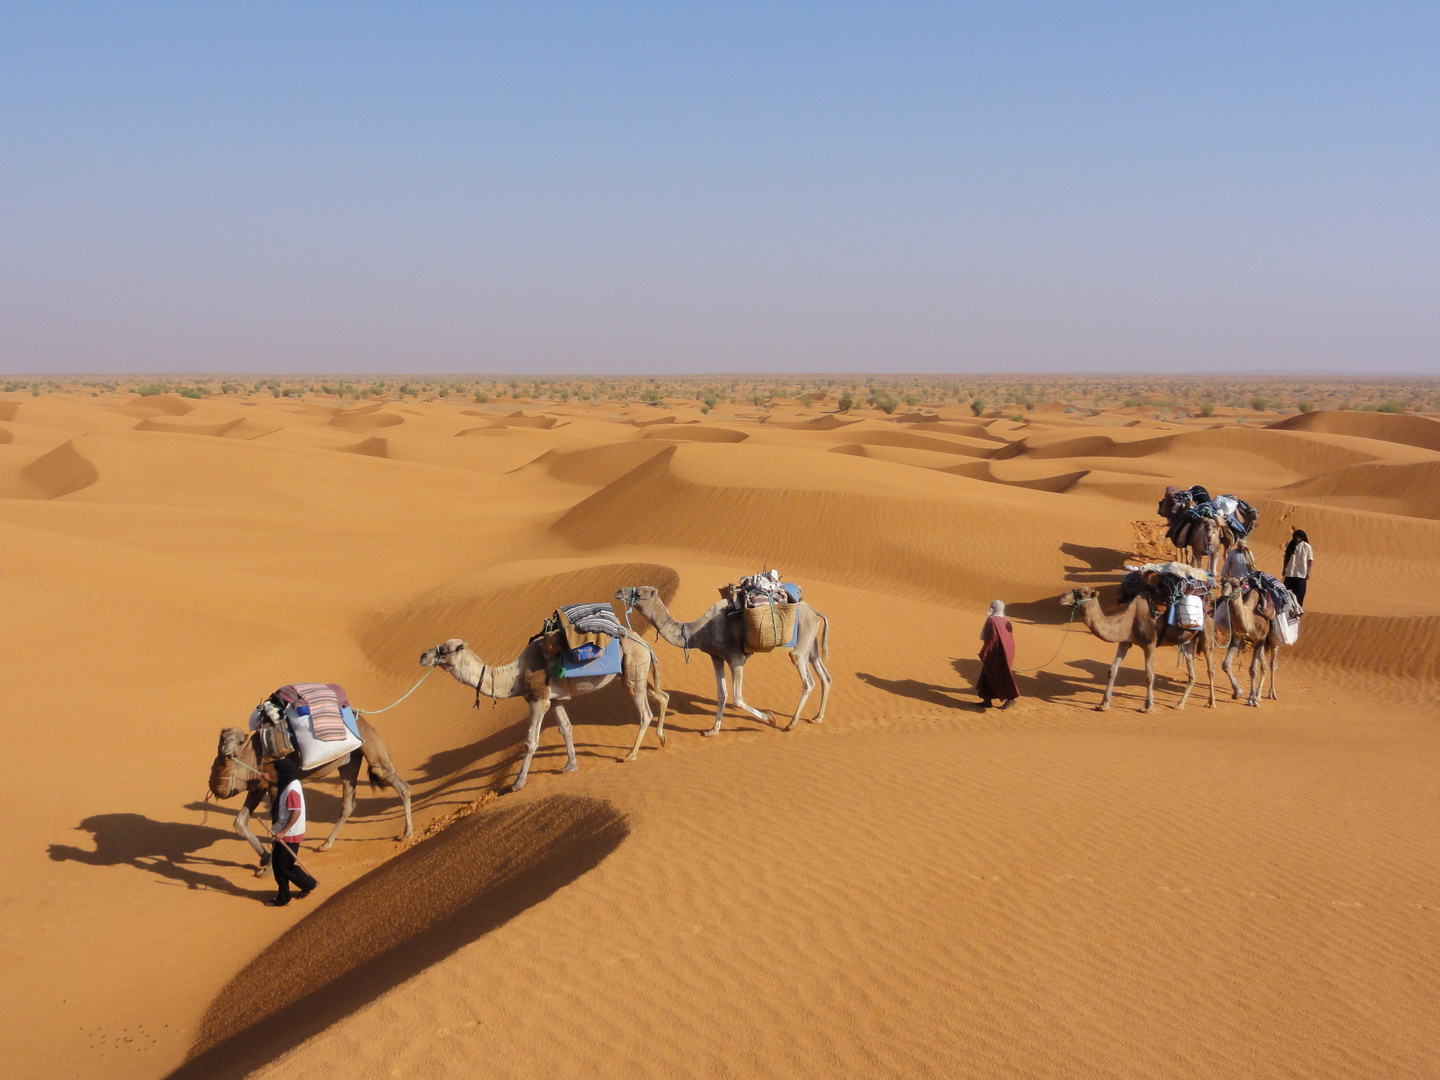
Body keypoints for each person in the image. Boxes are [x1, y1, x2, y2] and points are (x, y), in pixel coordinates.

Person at [267, 757, 318, 907]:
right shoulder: (290, 782)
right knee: (280, 865)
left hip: (289, 834)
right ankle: (285, 895)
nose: (277, 774)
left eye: (277, 772)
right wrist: (269, 779)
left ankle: (307, 885)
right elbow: (281, 786)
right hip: (285, 833)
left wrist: (283, 831)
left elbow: (296, 812)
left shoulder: (292, 789)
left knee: (284, 866)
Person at [977, 600, 1019, 710]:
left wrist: (985, 652)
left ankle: (1010, 699)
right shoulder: (1006, 619)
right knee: (987, 675)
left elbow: (992, 638)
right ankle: (987, 700)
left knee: (1000, 675)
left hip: (996, 651)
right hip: (1007, 650)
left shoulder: (992, 620)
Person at [1283, 528, 1315, 608]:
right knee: (1287, 594)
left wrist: (1308, 572)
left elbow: (1310, 560)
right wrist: (1284, 569)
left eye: (1299, 537)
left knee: (1299, 595)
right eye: (1296, 537)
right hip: (1290, 573)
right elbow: (1286, 558)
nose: (1297, 539)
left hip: (1301, 574)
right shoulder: (1290, 545)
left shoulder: (1307, 547)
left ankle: (1298, 611)